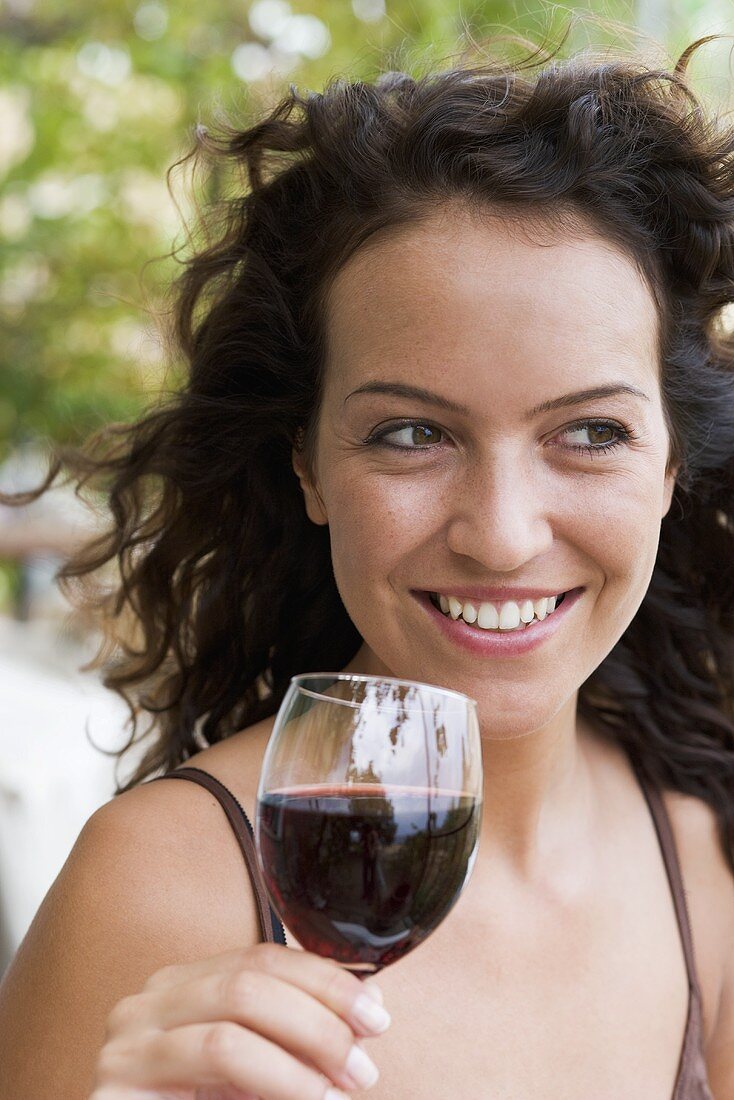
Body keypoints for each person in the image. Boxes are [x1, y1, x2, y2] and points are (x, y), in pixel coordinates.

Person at [0, 30, 733, 1100]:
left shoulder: (702, 855)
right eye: (410, 434)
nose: (501, 532)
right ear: (305, 466)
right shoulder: (160, 887)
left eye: (589, 432)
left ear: (671, 463)